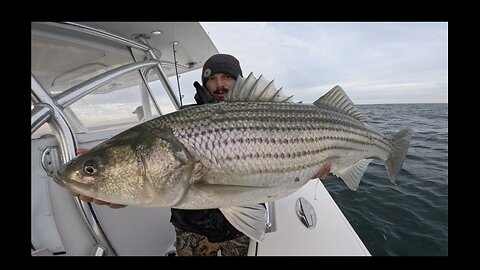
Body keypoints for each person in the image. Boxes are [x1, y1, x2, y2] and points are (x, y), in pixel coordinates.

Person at [72, 53, 332, 256]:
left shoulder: (268, 115)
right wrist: (119, 191)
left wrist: (310, 167)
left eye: (226, 77)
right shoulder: (179, 121)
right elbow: (155, 177)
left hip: (236, 230)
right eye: (212, 78)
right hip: (190, 230)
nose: (219, 84)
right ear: (205, 82)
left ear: (239, 81)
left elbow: (294, 159)